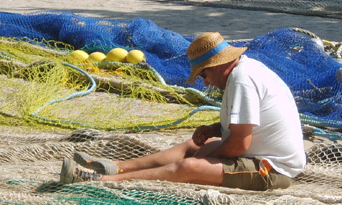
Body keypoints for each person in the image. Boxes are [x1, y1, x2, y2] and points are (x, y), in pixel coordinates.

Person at [60, 32, 306, 190]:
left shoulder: (243, 79)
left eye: (204, 74)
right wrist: (213, 130)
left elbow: (241, 143)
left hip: (272, 169)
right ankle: (117, 166)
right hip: (258, 154)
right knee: (193, 146)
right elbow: (249, 126)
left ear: (217, 65)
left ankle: (100, 180)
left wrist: (207, 158)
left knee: (188, 167)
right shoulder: (244, 71)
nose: (205, 82)